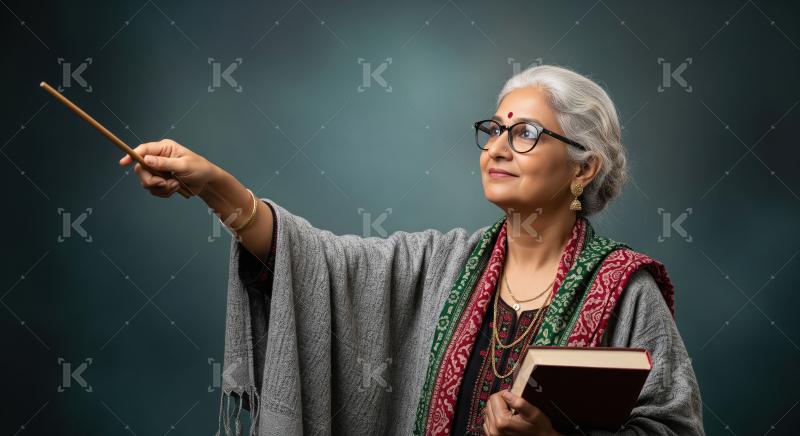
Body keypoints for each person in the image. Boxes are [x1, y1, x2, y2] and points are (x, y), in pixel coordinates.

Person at [119, 64, 704, 435]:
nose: (497, 148)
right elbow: (317, 264)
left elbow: (673, 429)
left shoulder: (627, 290)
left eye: (525, 132)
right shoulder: (438, 266)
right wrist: (215, 187)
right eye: (494, 130)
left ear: (584, 168)